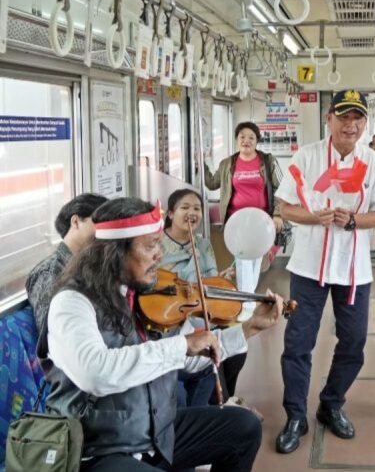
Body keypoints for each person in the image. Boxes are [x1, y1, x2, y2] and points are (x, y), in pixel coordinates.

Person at [39, 197, 285, 471]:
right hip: (99, 449)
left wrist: (250, 327)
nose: (160, 255)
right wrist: (181, 346)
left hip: (155, 431)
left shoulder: (144, 295)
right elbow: (94, 373)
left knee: (243, 428)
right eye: (150, 245)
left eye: (158, 244)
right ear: (114, 251)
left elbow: (191, 360)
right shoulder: (72, 302)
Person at [273, 89, 375, 454]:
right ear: (329, 118)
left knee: (354, 342)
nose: (351, 124)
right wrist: (314, 217)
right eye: (343, 116)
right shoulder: (307, 157)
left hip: (354, 268)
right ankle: (295, 415)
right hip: (309, 266)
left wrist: (355, 220)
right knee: (297, 344)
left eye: (357, 118)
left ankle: (331, 403)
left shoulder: (374, 163)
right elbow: (285, 206)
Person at [160, 188, 246, 409]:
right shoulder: (157, 244)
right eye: (185, 207)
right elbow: (165, 281)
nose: (192, 213)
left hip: (204, 309)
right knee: (213, 350)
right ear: (170, 213)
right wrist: (190, 262)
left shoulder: (203, 243)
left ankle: (223, 399)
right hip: (176, 314)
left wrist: (221, 278)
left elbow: (208, 281)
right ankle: (223, 404)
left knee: (238, 350)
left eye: (197, 208)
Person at [204, 121, 282, 319]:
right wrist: (200, 162)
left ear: (257, 141)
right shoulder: (228, 164)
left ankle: (247, 299)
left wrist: (278, 214)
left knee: (254, 261)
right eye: (242, 137)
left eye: (251, 138)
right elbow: (212, 183)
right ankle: (246, 305)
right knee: (243, 260)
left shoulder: (267, 161)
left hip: (261, 222)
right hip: (237, 222)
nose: (246, 141)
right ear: (237, 140)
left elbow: (281, 188)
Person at [26, 192, 108, 333]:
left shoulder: (93, 266)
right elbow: (53, 333)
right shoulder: (48, 273)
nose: (106, 232)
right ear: (75, 222)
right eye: (101, 223)